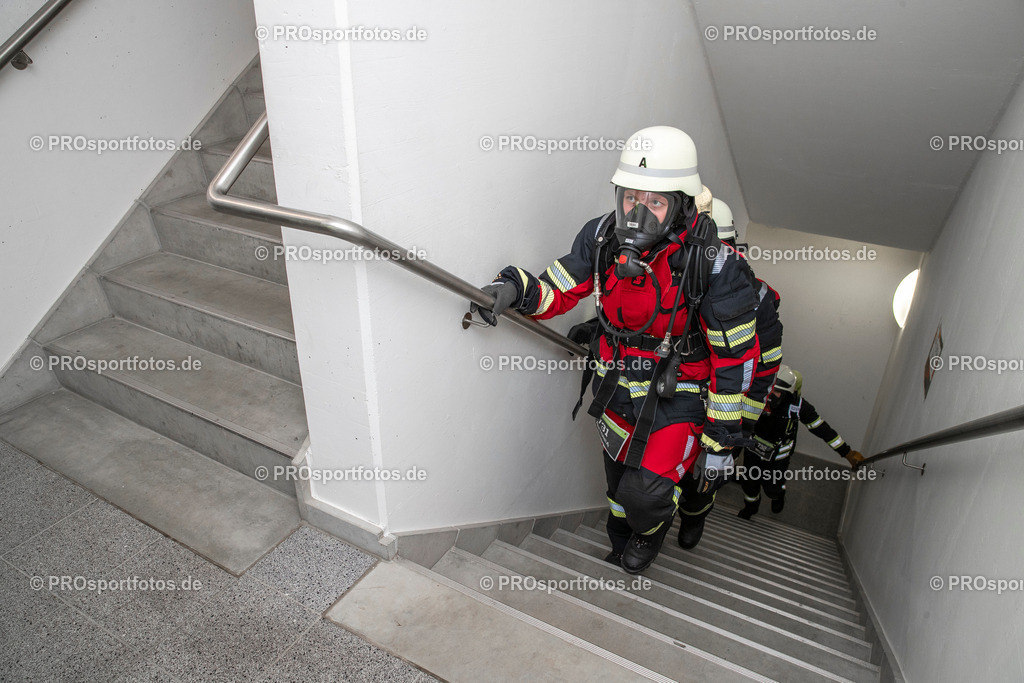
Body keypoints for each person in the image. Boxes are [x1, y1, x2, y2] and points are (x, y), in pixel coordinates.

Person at [473, 126, 760, 574]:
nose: (637, 214)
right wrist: (514, 289)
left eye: (656, 203)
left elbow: (736, 362)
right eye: (630, 197)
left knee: (646, 493)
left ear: (682, 206)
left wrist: (720, 444)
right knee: (617, 483)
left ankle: (651, 531)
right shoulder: (602, 237)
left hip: (678, 392)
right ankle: (621, 536)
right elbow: (560, 286)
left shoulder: (717, 266)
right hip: (616, 381)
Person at [674, 197, 785, 549]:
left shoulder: (759, 298)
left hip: (726, 407)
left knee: (703, 478)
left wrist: (742, 424)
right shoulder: (678, 275)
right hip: (679, 393)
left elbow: (765, 365)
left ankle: (693, 517)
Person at [737, 364, 865, 519]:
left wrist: (847, 453)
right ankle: (750, 507)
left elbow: (822, 429)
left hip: (779, 454)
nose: (770, 396)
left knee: (772, 487)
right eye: (770, 389)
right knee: (750, 483)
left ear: (788, 394)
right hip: (754, 447)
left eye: (776, 392)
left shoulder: (798, 407)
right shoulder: (756, 395)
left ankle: (778, 494)